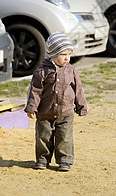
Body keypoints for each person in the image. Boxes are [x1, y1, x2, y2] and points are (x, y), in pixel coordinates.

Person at [24, 31, 88, 171]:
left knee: (64, 137)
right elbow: (35, 91)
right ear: (53, 55)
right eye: (63, 55)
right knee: (43, 137)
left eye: (69, 54)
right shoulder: (41, 72)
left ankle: (64, 161)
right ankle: (42, 159)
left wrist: (81, 106)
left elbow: (78, 89)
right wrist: (31, 108)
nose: (67, 58)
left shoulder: (71, 71)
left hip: (66, 112)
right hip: (45, 112)